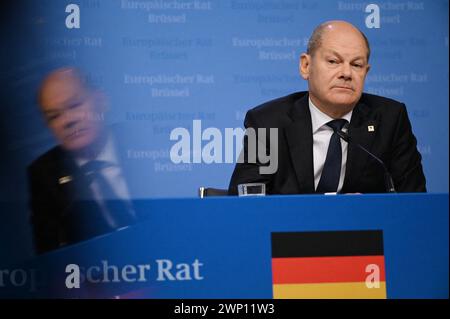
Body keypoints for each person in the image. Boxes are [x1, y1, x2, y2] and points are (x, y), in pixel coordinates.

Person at [229, 20, 426, 195]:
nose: (346, 73)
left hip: (362, 235)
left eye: (357, 65)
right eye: (333, 61)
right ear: (306, 66)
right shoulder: (268, 122)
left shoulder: (390, 120)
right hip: (290, 234)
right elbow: (247, 202)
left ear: (366, 72)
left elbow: (414, 203)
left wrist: (367, 210)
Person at [28, 67, 138, 254]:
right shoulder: (43, 174)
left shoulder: (141, 138)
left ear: (101, 102)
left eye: (74, 105)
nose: (67, 121)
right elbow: (51, 258)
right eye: (54, 116)